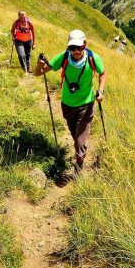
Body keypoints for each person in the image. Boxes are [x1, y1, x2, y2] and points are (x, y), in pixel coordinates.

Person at [36, 29, 106, 172]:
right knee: (75, 136)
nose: (75, 51)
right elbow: (38, 73)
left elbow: (102, 73)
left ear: (85, 45)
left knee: (79, 141)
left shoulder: (93, 58)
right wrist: (39, 65)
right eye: (72, 47)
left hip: (87, 104)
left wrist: (100, 90)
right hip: (67, 104)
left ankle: (79, 163)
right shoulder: (63, 58)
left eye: (78, 47)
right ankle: (81, 149)